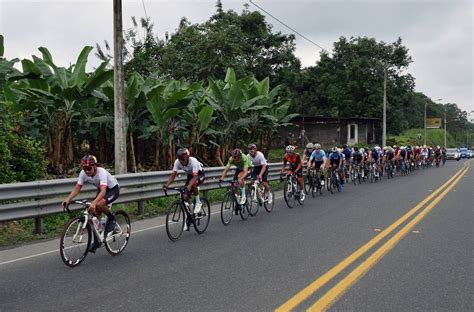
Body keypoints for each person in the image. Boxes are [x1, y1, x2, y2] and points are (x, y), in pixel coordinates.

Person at [62, 155, 120, 253]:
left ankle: (112, 219)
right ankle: (98, 239)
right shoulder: (83, 173)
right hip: (102, 189)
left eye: (89, 168)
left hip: (112, 190)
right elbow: (77, 188)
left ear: (95, 167)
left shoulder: (101, 172)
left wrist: (94, 202)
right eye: (85, 169)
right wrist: (68, 199)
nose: (87, 171)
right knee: (93, 216)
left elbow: (103, 191)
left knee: (99, 205)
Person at [163, 148, 205, 216]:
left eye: (183, 159)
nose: (181, 162)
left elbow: (194, 177)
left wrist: (189, 186)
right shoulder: (177, 162)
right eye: (180, 159)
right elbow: (173, 175)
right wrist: (166, 185)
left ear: (187, 158)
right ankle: (190, 208)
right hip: (190, 175)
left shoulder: (193, 161)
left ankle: (198, 202)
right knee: (184, 196)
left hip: (199, 175)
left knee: (192, 183)